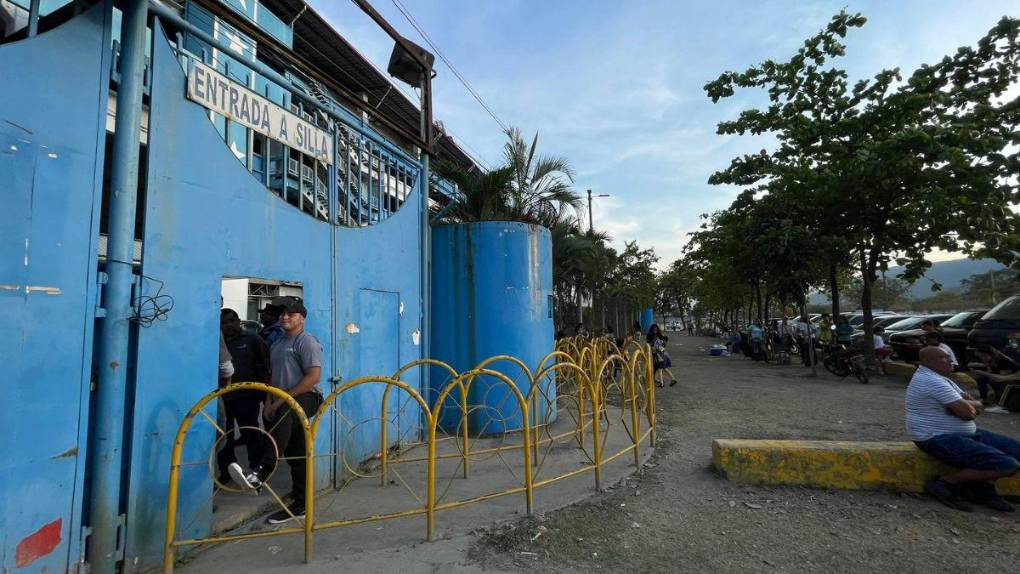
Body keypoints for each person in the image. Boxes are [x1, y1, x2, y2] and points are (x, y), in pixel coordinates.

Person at [230, 296, 324, 524]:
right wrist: (270, 401)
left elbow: (313, 376)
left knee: (285, 415)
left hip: (306, 397)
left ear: (301, 318)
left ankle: (260, 471)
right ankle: (301, 504)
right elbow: (272, 377)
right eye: (282, 314)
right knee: (297, 452)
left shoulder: (306, 341)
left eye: (290, 314)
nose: (284, 317)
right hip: (282, 399)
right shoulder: (277, 344)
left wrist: (282, 401)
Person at [907, 346, 1020, 512]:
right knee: (1007, 465)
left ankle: (979, 488)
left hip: (965, 434)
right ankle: (945, 483)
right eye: (944, 358)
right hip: (937, 438)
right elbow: (968, 414)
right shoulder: (932, 381)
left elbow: (975, 404)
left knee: (1015, 450)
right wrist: (967, 406)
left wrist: (967, 405)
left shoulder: (943, 379)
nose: (951, 361)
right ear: (927, 361)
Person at [217, 308, 270, 486]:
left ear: (239, 320)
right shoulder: (218, 341)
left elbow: (265, 366)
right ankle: (227, 471)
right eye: (224, 322)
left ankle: (257, 469)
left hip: (247, 397)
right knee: (225, 436)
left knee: (250, 433)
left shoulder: (252, 340)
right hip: (224, 398)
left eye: (232, 320)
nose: (229, 325)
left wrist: (262, 394)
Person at [970, 345, 1018, 413]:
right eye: (980, 356)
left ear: (990, 354)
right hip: (1000, 376)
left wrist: (984, 373)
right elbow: (990, 372)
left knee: (1001, 383)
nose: (982, 358)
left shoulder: (1003, 360)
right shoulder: (989, 360)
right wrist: (984, 372)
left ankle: (1001, 405)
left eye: (983, 356)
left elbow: (1002, 377)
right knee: (982, 379)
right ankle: (984, 398)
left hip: (1010, 377)